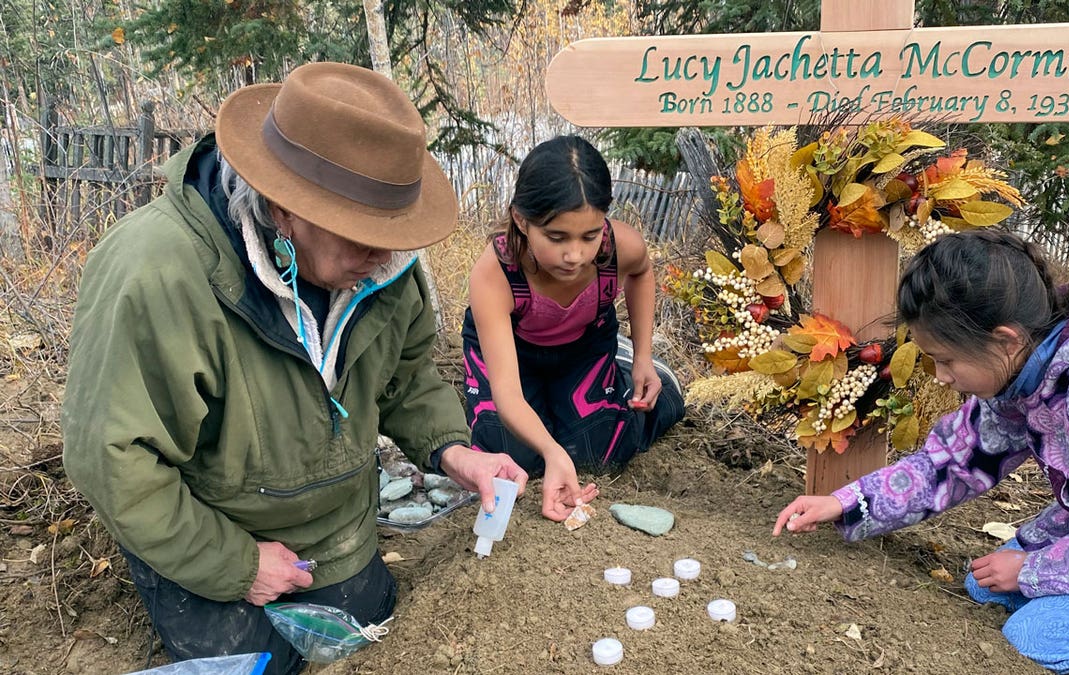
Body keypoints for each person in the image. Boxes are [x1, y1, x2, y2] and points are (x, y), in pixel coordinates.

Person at [62, 62, 528, 674]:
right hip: (212, 530)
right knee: (256, 664)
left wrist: (454, 452)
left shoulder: (384, 269)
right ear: (284, 207)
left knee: (367, 644)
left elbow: (406, 378)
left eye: (392, 232)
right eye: (362, 236)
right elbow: (113, 459)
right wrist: (235, 564)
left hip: (337, 531)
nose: (384, 256)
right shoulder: (158, 274)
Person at [773, 229, 1069, 673]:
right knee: (985, 586)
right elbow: (954, 461)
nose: (940, 375)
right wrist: (846, 502)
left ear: (1005, 338)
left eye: (946, 359)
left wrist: (1033, 570)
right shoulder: (1028, 363)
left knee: (1035, 637)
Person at [457, 135, 684, 521]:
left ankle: (630, 366)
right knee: (510, 454)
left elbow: (643, 272)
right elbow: (509, 393)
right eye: (556, 237)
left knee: (596, 451)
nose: (574, 255)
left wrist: (645, 355)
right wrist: (551, 451)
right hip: (513, 353)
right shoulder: (495, 273)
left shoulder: (620, 246)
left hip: (583, 344)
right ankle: (543, 415)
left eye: (589, 235)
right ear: (521, 219)